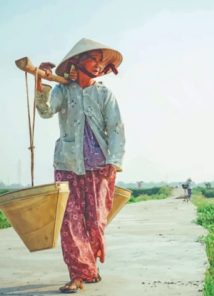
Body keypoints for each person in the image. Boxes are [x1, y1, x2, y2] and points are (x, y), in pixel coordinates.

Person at [35, 38, 125, 293]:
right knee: (70, 223)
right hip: (67, 164)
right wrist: (41, 82)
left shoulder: (104, 93)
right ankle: (77, 275)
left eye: (100, 61)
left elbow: (116, 129)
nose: (97, 65)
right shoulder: (63, 91)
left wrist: (114, 161)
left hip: (99, 166)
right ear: (76, 62)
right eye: (92, 59)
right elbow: (45, 111)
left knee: (95, 221)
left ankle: (89, 268)